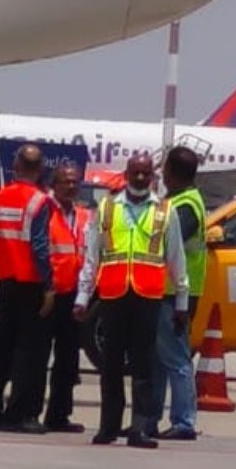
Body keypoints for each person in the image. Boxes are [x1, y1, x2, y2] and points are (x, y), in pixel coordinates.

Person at [75, 153, 188, 449]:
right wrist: (83, 296)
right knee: (110, 365)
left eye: (145, 174)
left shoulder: (165, 211)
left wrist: (181, 302)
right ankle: (108, 426)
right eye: (135, 173)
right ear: (125, 175)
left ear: (152, 177)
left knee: (143, 365)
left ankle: (140, 428)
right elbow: (92, 255)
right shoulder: (107, 208)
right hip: (113, 295)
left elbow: (176, 259)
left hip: (147, 297)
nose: (140, 178)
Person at [0, 143, 54, 435]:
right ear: (40, 170)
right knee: (26, 353)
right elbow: (39, 247)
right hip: (31, 286)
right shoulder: (39, 201)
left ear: (16, 166)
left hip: (5, 284)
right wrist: (49, 287)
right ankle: (16, 414)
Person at [147, 146, 205, 441]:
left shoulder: (186, 206)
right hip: (165, 291)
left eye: (164, 167)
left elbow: (166, 243)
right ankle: (148, 419)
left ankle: (184, 421)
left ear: (171, 172)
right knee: (158, 360)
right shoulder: (176, 201)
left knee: (176, 359)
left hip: (176, 294)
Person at [34, 162, 88, 432]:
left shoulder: (84, 216)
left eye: (75, 181)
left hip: (74, 294)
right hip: (48, 293)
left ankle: (59, 415)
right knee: (38, 355)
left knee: (68, 359)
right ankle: (31, 412)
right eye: (65, 181)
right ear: (54, 185)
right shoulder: (45, 210)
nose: (71, 186)